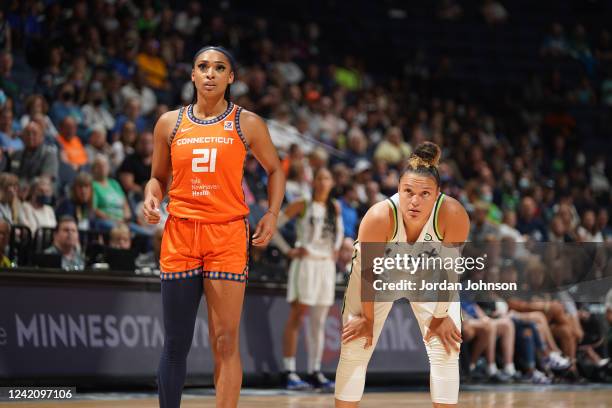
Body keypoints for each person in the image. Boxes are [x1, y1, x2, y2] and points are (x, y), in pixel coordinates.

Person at [142, 46, 285, 408]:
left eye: (219, 68)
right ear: (192, 74)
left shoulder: (247, 122)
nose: (210, 73)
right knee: (175, 342)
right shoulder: (169, 123)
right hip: (180, 234)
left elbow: (276, 170)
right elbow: (157, 178)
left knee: (225, 340)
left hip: (227, 236)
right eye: (203, 67)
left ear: (230, 77)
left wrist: (272, 213)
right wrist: (151, 196)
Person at [335, 142, 470, 407]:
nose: (415, 201)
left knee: (446, 347)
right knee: (356, 343)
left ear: (437, 193)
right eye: (408, 191)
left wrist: (441, 317)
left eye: (424, 193)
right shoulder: (378, 217)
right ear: (398, 189)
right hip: (380, 277)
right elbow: (367, 276)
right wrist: (368, 319)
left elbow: (450, 273)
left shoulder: (453, 214)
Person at [273, 167, 343, 390]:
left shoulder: (335, 207)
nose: (323, 182)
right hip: (305, 264)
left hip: (326, 267)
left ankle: (315, 371)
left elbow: (339, 235)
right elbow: (273, 227)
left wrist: (336, 249)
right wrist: (288, 250)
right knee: (297, 315)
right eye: (320, 178)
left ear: (332, 183)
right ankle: (289, 371)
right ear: (314, 182)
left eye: (327, 178)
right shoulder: (302, 204)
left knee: (319, 322)